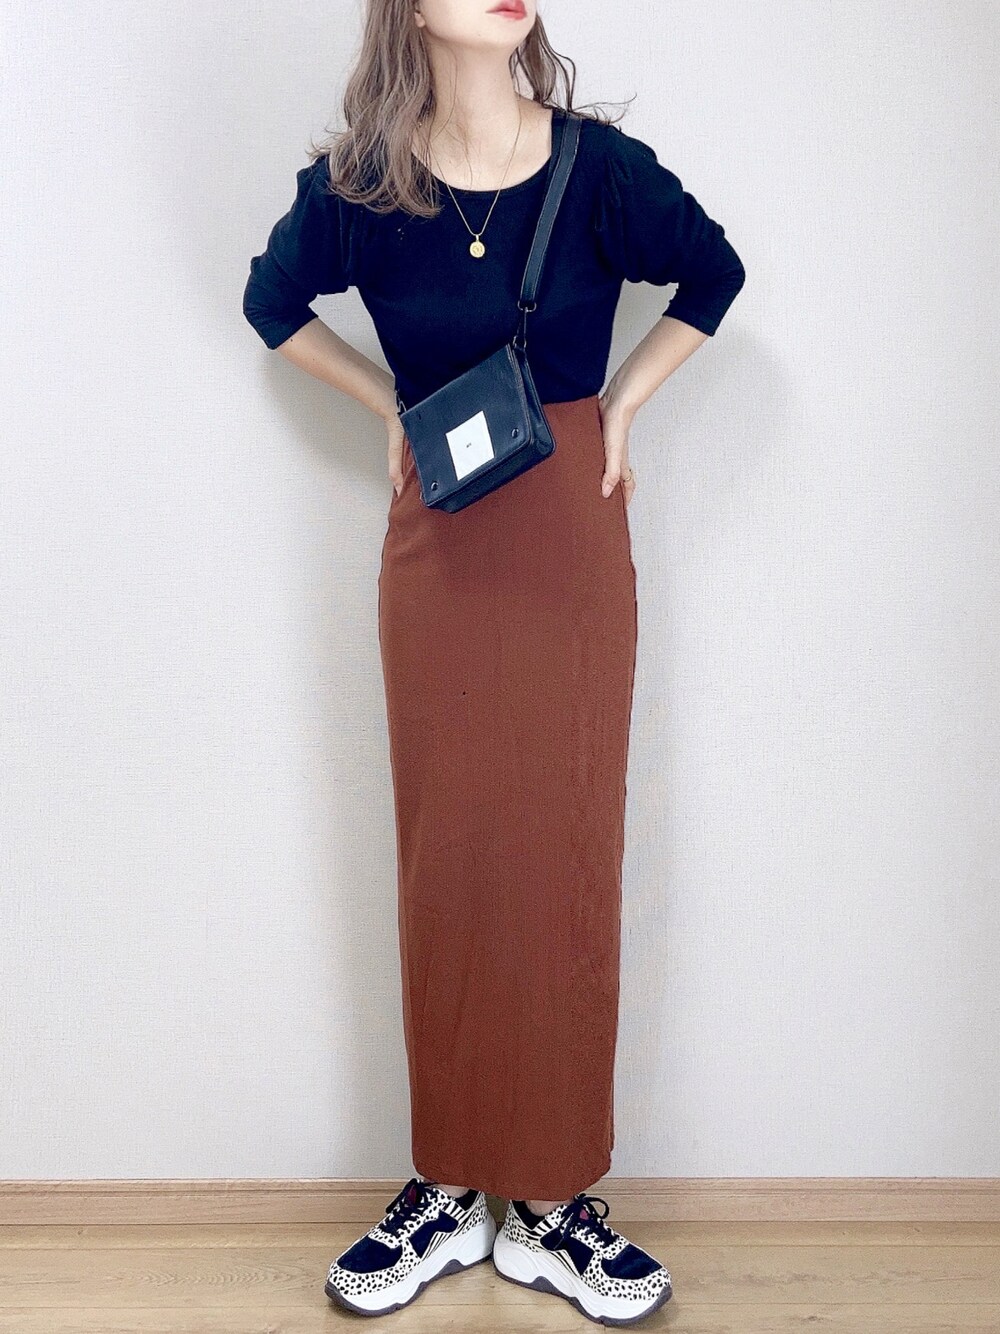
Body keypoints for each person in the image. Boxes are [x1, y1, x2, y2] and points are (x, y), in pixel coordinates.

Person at [243, 0, 745, 1325]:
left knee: (566, 851)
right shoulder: (361, 186)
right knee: (451, 858)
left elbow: (714, 273)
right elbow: (270, 302)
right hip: (442, 547)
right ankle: (448, 1179)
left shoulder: (598, 172)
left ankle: (555, 1198)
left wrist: (622, 406)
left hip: (570, 535)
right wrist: (391, 410)